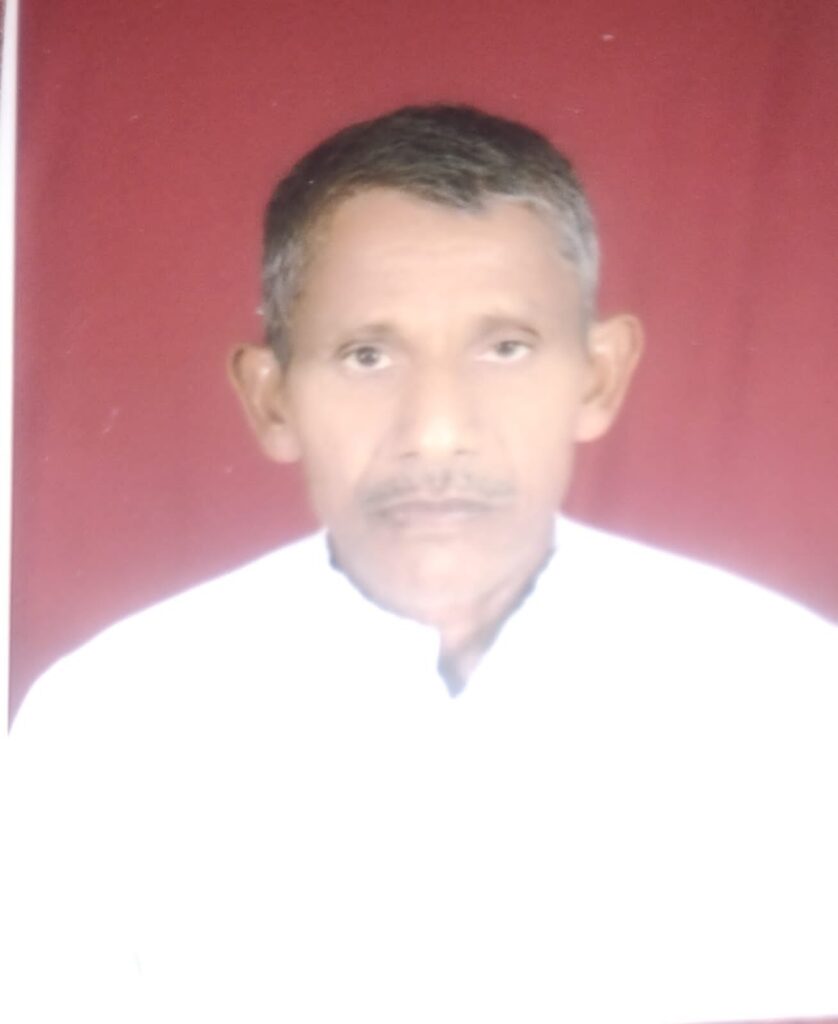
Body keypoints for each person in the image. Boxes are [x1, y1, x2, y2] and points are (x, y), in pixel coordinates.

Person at [2, 105, 836, 1024]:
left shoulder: (790, 697)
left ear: (599, 376)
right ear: (271, 399)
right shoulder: (108, 721)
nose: (436, 430)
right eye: (367, 356)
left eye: (506, 348)